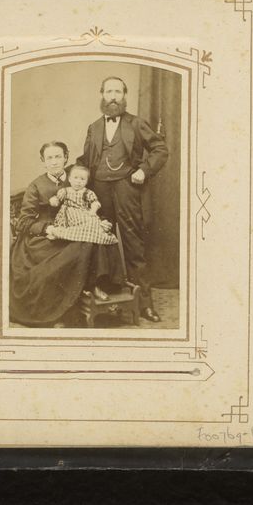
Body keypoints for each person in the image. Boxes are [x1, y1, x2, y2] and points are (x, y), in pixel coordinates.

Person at [77, 76, 168, 322]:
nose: (113, 97)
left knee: (134, 245)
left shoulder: (136, 124)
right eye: (109, 91)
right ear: (102, 95)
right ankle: (108, 300)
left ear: (124, 96)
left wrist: (144, 170)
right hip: (99, 191)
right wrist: (68, 176)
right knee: (102, 242)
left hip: (127, 189)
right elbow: (85, 161)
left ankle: (145, 305)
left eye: (118, 92)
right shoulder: (94, 127)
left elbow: (160, 149)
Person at [10, 141, 124, 327]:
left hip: (77, 228)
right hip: (46, 236)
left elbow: (90, 206)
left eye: (58, 157)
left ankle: (94, 288)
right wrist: (47, 229)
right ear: (43, 161)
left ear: (66, 158)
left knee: (95, 239)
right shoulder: (36, 185)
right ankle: (66, 309)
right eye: (49, 158)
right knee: (77, 250)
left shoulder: (77, 178)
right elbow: (24, 221)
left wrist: (102, 220)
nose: (54, 162)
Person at [47, 165, 118, 247]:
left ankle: (88, 234)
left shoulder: (87, 192)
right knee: (65, 227)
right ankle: (61, 233)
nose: (78, 181)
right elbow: (57, 200)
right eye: (75, 178)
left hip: (83, 213)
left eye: (82, 179)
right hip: (68, 214)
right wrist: (54, 201)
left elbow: (95, 203)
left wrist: (93, 211)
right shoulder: (65, 191)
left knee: (93, 223)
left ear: (86, 182)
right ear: (69, 179)